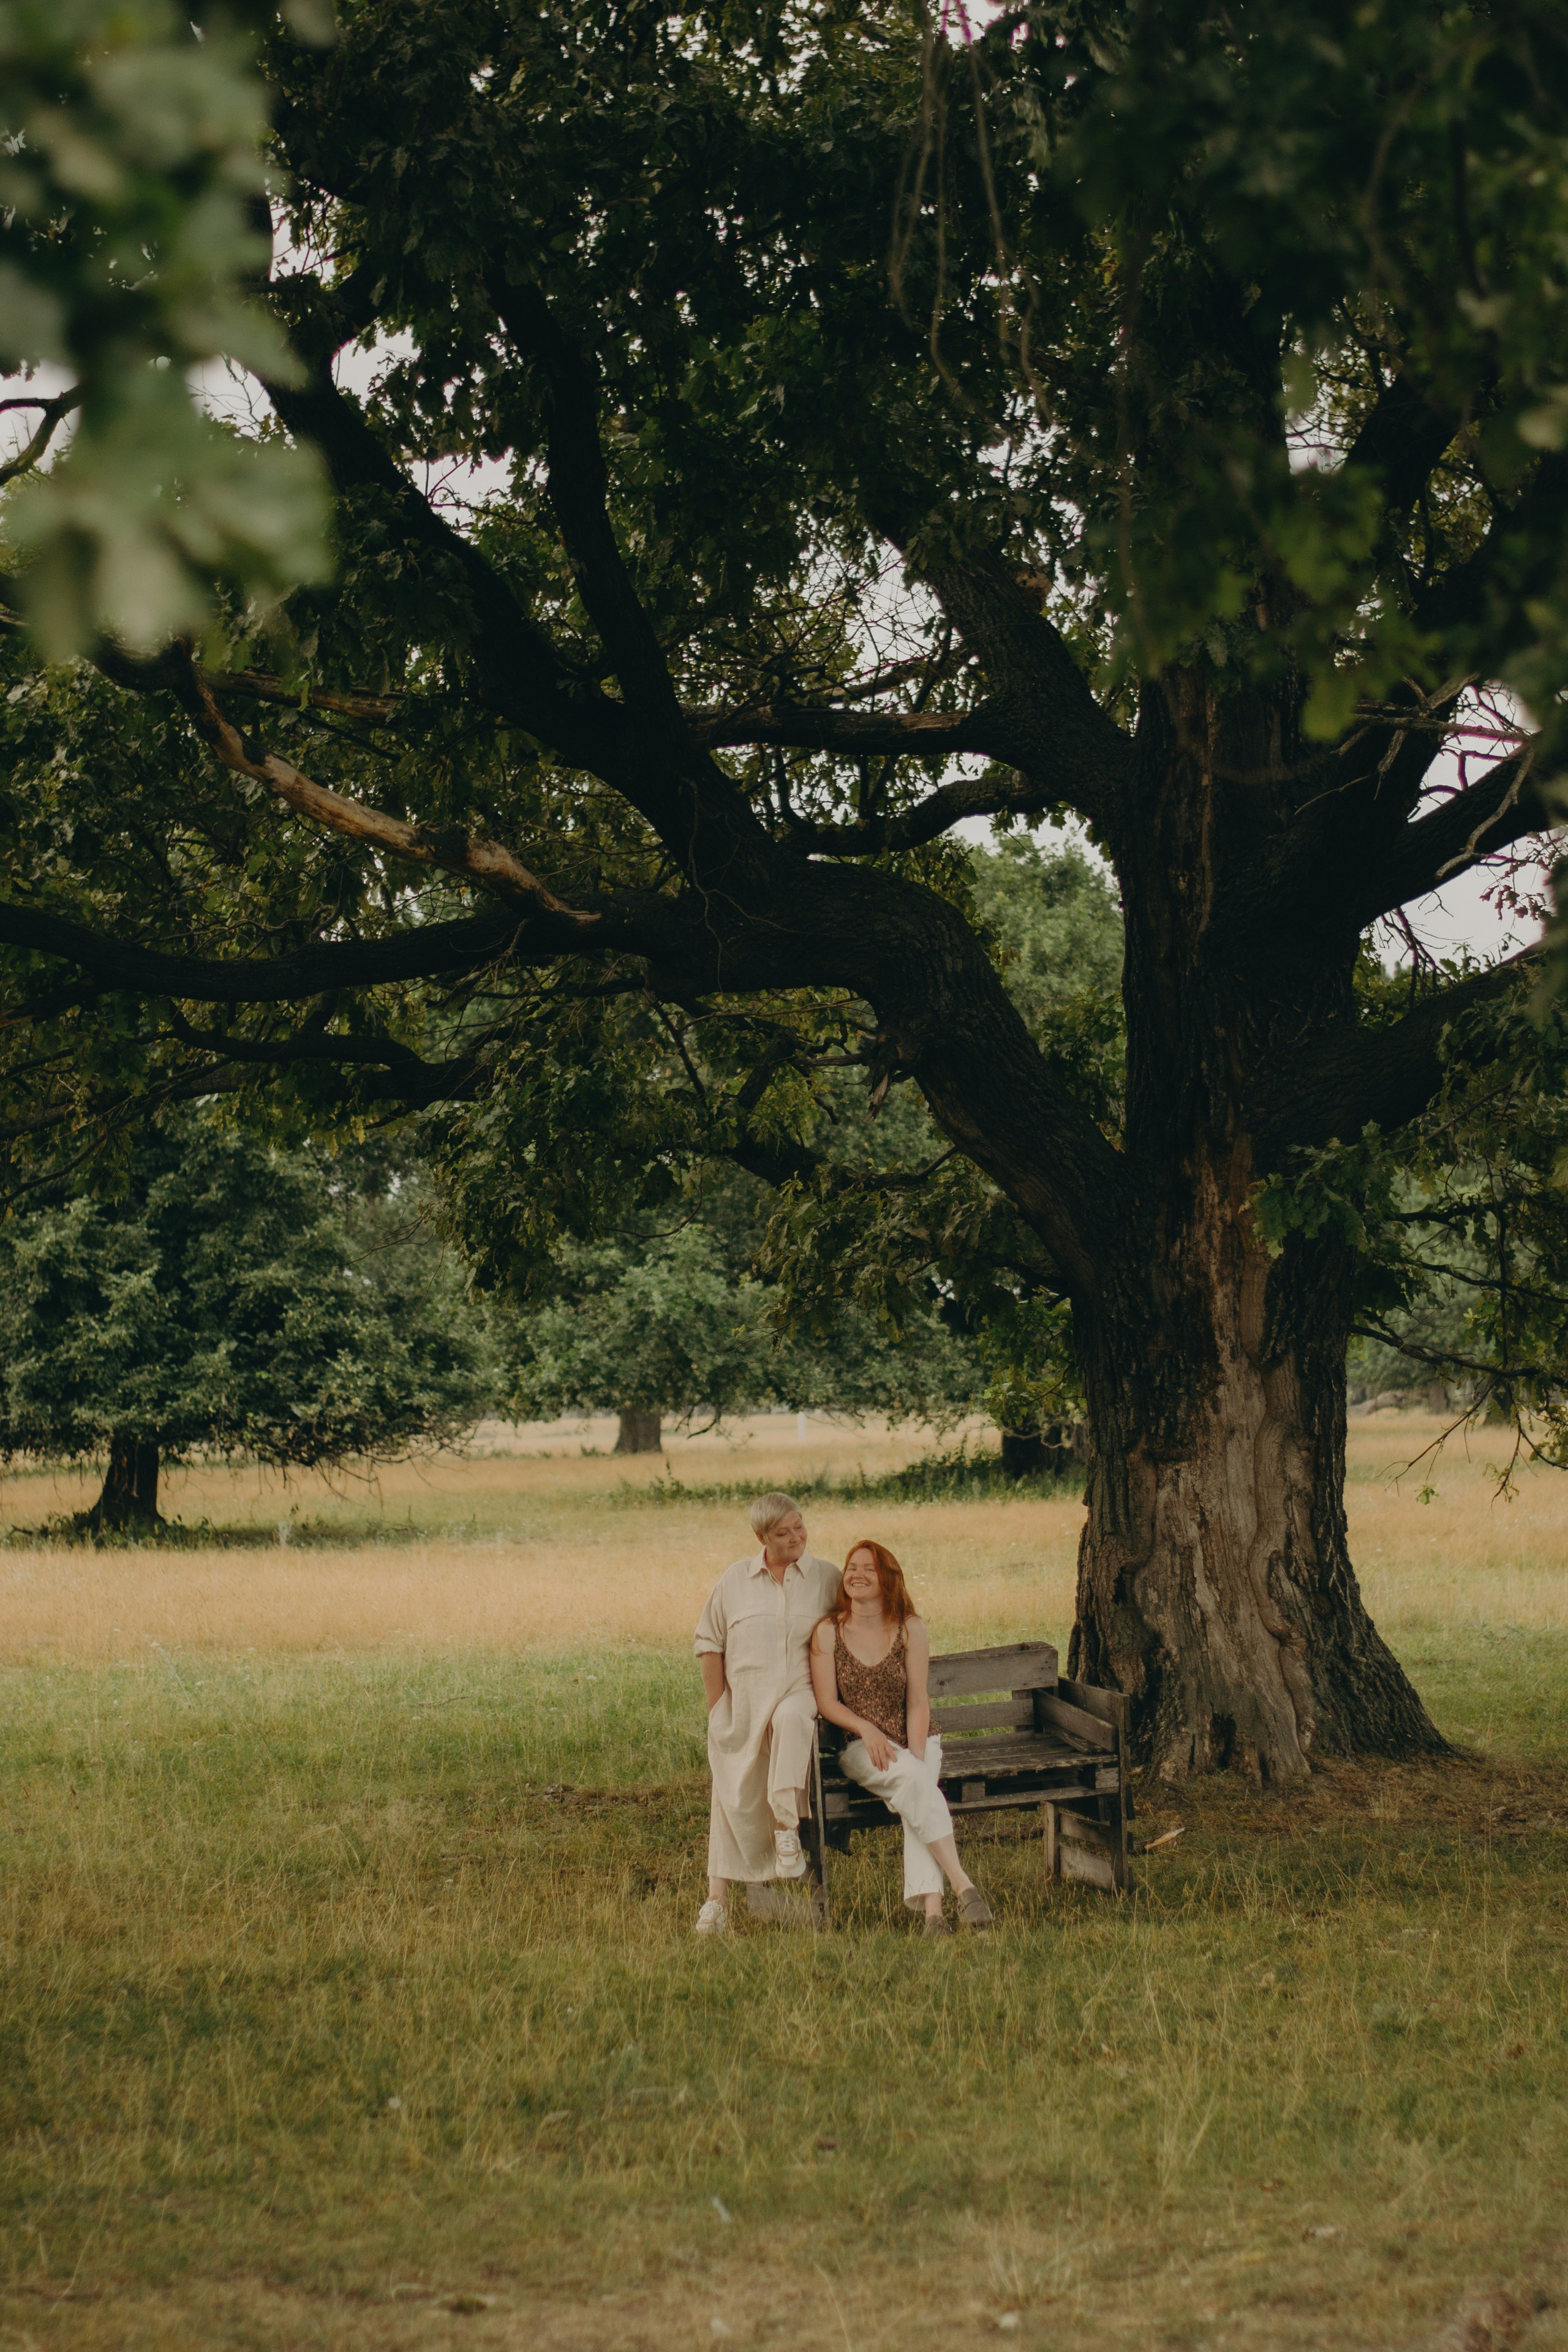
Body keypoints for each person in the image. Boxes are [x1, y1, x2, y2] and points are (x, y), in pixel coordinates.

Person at [809, 1539, 993, 1937]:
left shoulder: (910, 1627)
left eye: (867, 1569)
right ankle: (964, 1885)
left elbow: (917, 1702)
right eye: (851, 1567)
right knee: (917, 1785)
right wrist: (867, 1728)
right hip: (861, 1747)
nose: (855, 1575)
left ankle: (934, 1916)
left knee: (916, 1788)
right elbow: (826, 1702)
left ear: (887, 1579)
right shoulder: (828, 1633)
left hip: (918, 1738)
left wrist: (916, 1753)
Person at [691, 1491, 841, 1938]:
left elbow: (856, 1627)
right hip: (744, 1705)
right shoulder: (735, 1579)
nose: (796, 1537)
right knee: (731, 1792)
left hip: (799, 1693)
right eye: (783, 1532)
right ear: (762, 1537)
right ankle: (716, 1901)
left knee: (793, 1720)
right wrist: (720, 1708)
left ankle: (786, 1828)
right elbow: (708, 1642)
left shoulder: (826, 1578)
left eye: (800, 1526)